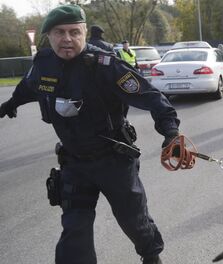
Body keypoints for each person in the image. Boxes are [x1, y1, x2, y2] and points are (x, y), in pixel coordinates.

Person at [0, 5, 180, 264]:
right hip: (74, 163)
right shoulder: (44, 63)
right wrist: (10, 104)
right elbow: (28, 86)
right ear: (48, 36)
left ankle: (152, 257)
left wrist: (170, 130)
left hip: (114, 161)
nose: (67, 39)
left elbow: (150, 96)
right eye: (59, 32)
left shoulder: (105, 66)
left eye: (74, 32)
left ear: (84, 32)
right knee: (74, 232)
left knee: (134, 221)